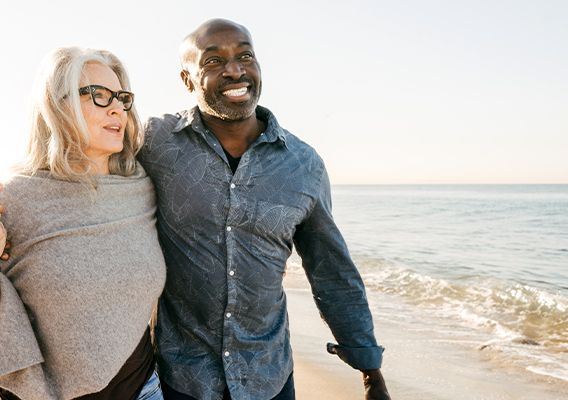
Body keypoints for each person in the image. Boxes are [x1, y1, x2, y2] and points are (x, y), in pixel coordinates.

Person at [136, 19, 390, 399]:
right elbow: (90, 176)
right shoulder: (154, 144)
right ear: (187, 80)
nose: (235, 70)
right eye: (212, 61)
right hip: (182, 378)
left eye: (245, 56)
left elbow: (331, 269)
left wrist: (371, 372)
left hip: (268, 377)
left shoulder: (303, 165)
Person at [0, 47, 166, 400]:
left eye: (122, 98)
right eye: (99, 95)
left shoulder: (143, 189)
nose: (117, 108)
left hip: (143, 390)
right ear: (58, 106)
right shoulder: (17, 201)